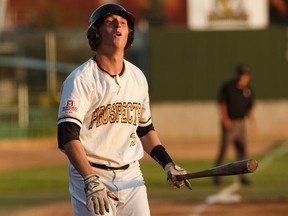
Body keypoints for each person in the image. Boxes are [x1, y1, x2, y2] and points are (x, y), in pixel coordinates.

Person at [57, 3, 192, 216]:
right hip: (92, 174)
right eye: (110, 22)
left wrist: (168, 164)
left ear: (129, 33)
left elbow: (145, 130)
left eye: (123, 23)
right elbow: (67, 135)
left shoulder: (137, 77)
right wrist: (90, 180)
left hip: (131, 176)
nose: (118, 26)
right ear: (96, 33)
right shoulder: (81, 79)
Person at [213, 65, 257, 186]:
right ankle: (217, 176)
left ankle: (243, 177)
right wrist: (225, 119)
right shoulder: (228, 87)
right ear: (238, 75)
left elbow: (249, 108)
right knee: (224, 150)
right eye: (241, 74)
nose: (243, 77)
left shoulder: (248, 90)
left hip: (241, 123)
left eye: (245, 75)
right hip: (230, 122)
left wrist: (253, 122)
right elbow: (222, 104)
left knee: (242, 151)